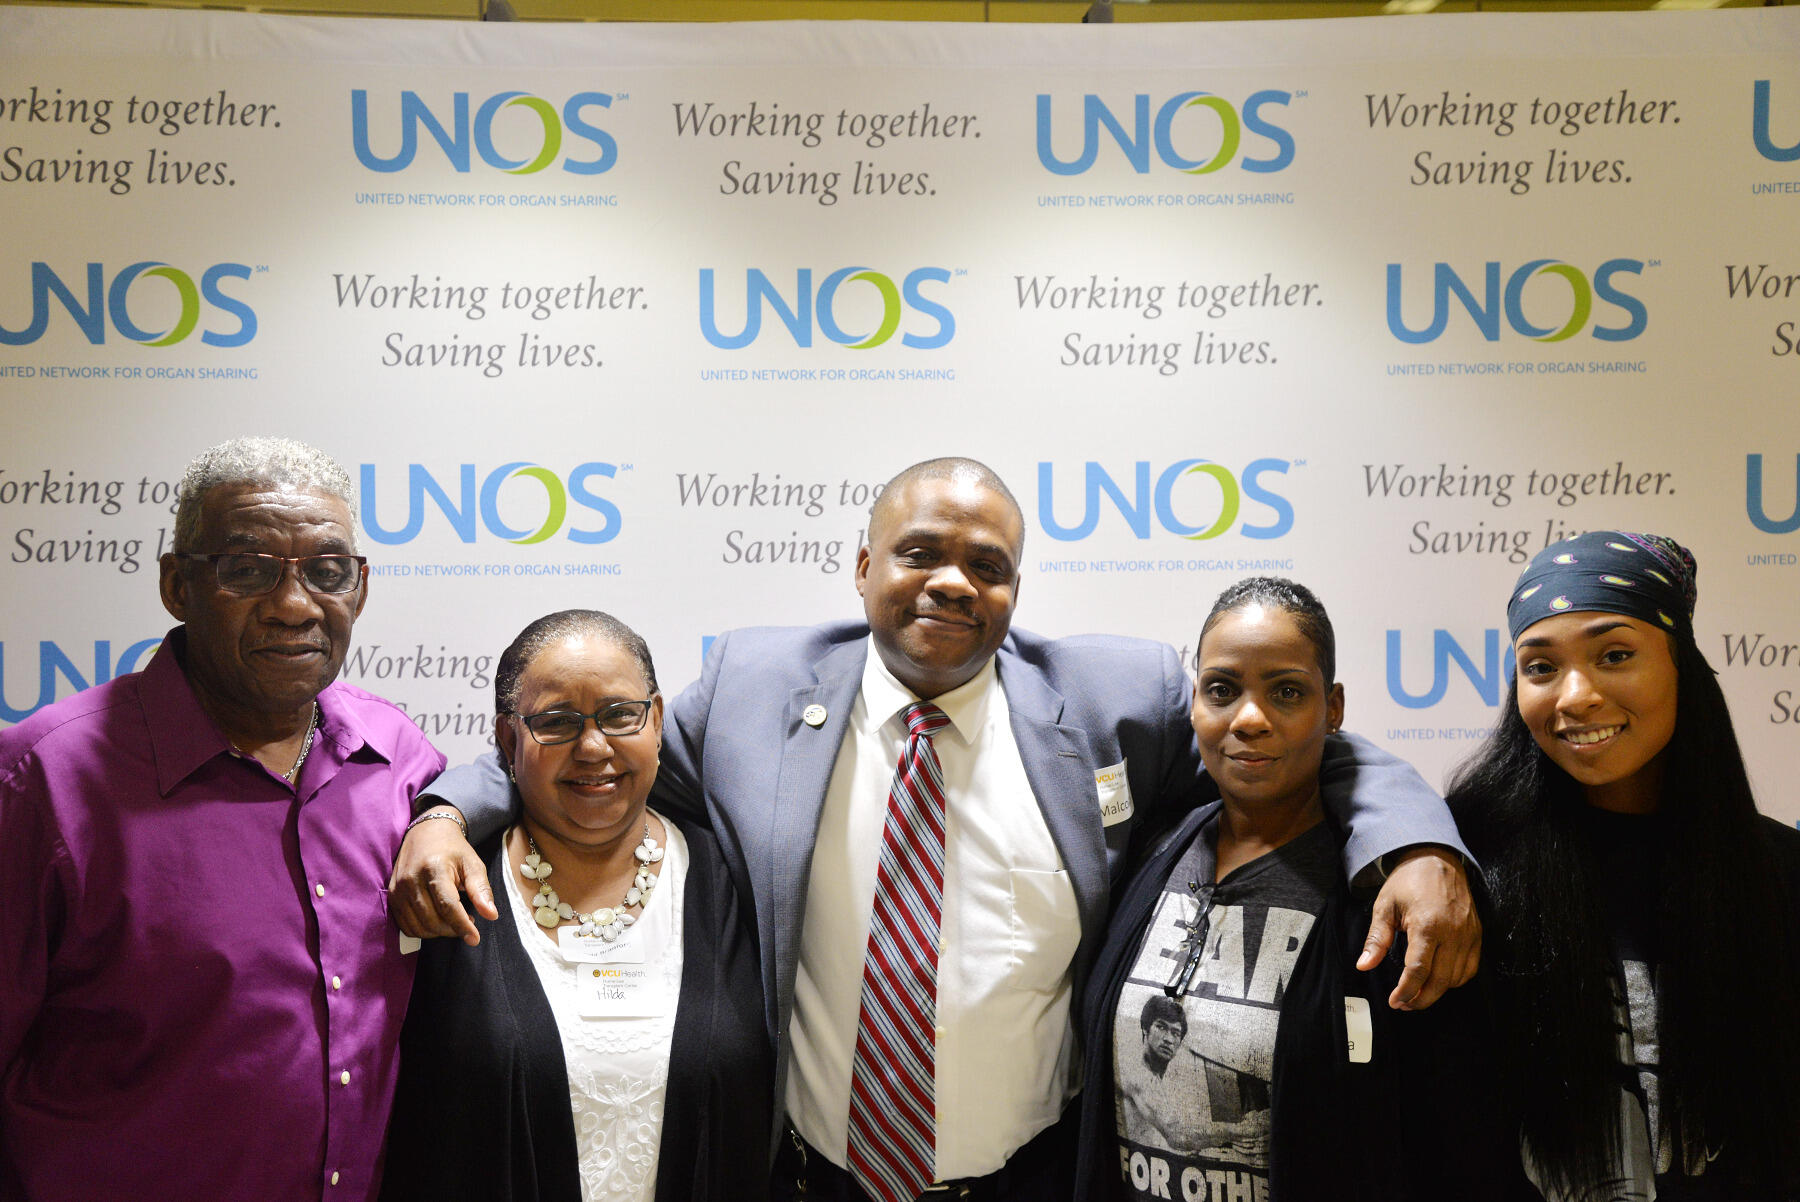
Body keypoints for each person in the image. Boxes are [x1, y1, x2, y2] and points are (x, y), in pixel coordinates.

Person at [393, 458, 1480, 1202]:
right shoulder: (753, 686)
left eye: (989, 564)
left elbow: (1289, 746)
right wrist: (451, 807)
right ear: (862, 567)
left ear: (1017, 588)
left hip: (1030, 1179)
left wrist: (1416, 840)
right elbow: (595, 745)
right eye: (919, 552)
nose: (953, 581)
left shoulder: (1122, 700)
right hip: (811, 1177)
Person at [0, 437, 446, 1202]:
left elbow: (480, 780)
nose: (296, 605)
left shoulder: (389, 752)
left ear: (360, 588)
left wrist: (444, 818)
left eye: (328, 572)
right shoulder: (43, 780)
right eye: (248, 570)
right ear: (178, 585)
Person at [1075, 577, 1519, 1202]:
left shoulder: (1389, 892)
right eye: (1222, 690)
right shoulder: (1153, 846)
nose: (1250, 719)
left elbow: (1460, 1138)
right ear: (1195, 703)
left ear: (1333, 708)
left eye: (1287, 692)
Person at [1448, 532, 1800, 1202]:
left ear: (1680, 667)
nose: (1574, 696)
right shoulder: (1466, 874)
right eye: (1541, 667)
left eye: (1615, 655)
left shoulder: (1781, 877)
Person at [382, 609, 769, 1202]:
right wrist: (440, 816)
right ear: (509, 738)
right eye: (557, 722)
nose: (593, 747)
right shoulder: (449, 888)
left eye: (619, 716)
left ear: (657, 721)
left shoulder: (737, 879)